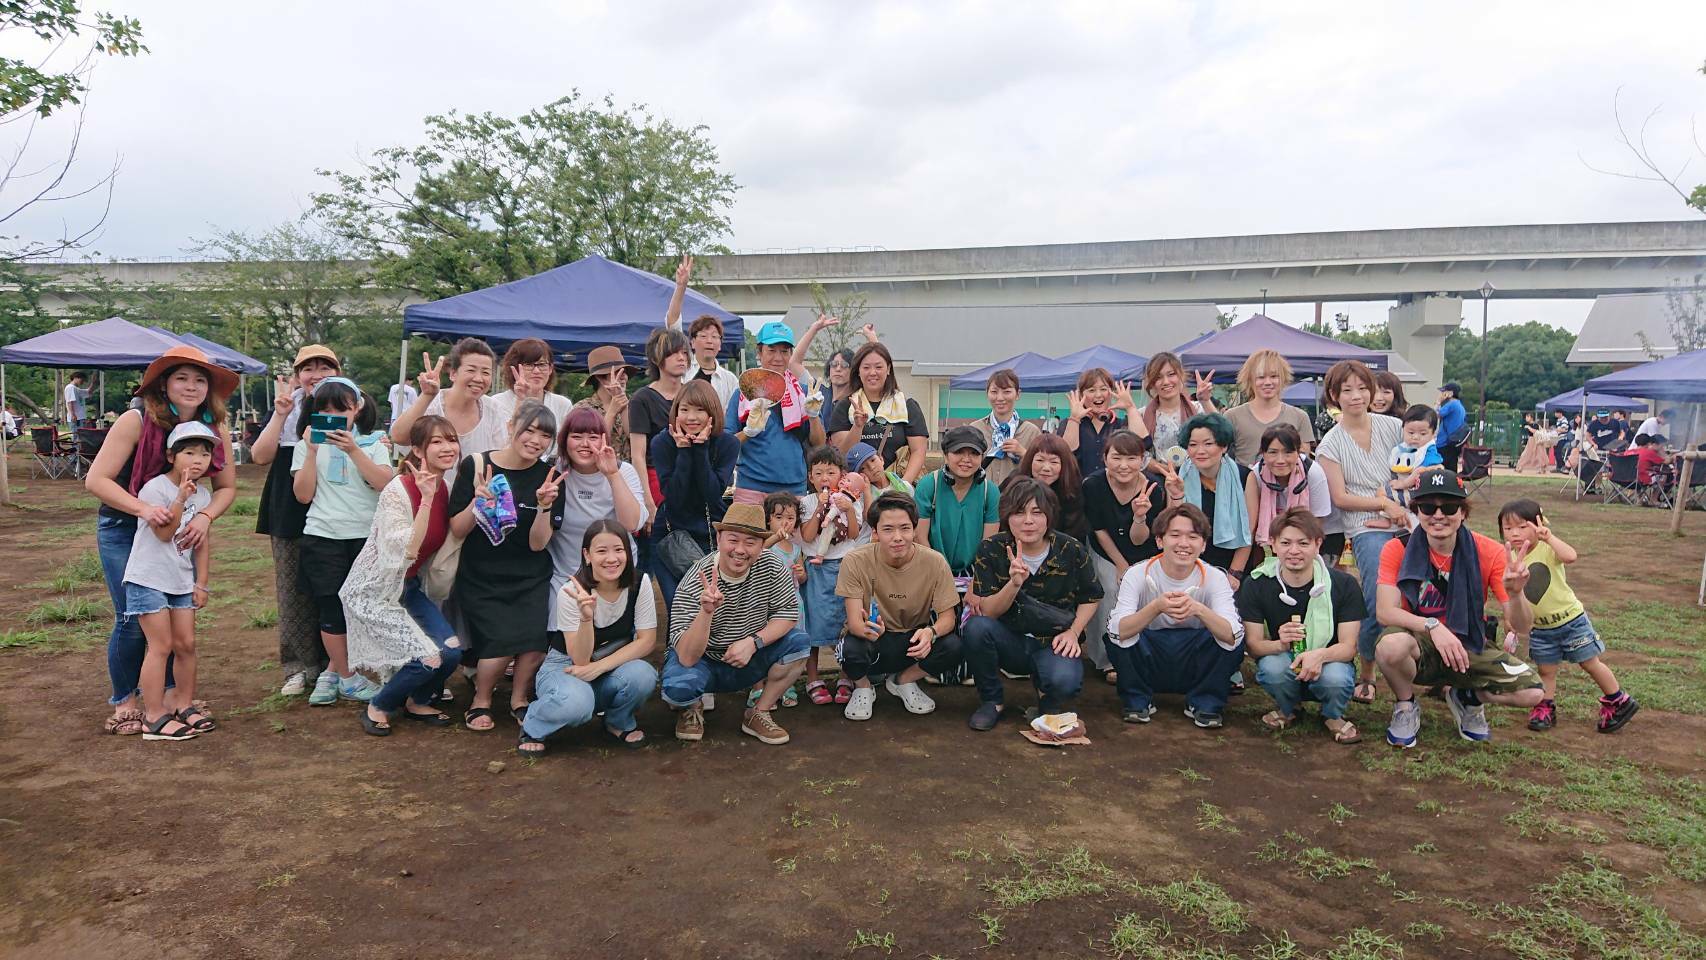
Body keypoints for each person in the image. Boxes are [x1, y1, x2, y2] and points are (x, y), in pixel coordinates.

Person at [86, 346, 238, 736]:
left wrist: (205, 516)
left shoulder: (214, 429)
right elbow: (97, 480)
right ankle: (126, 702)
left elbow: (225, 488)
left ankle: (173, 698)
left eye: (200, 380)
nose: (191, 386)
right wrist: (144, 509)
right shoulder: (136, 420)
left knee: (175, 620)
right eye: (181, 378)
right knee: (132, 617)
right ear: (163, 384)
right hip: (125, 525)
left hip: (182, 529)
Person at [1375, 470, 1543, 747]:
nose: (1438, 515)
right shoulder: (1397, 549)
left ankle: (1466, 697)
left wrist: (1516, 594)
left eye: (1450, 507)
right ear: (1417, 511)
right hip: (1419, 643)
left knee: (1533, 692)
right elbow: (1385, 611)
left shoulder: (1489, 551)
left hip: (1468, 643)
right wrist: (1433, 626)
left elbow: (1522, 627)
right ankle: (1405, 705)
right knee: (1390, 646)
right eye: (1427, 507)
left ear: (1463, 513)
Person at [343, 415, 465, 736]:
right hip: (376, 590)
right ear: (418, 450)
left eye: (451, 440)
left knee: (452, 651)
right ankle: (379, 705)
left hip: (408, 587)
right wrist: (425, 500)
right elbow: (409, 548)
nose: (447, 447)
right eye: (436, 441)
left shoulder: (445, 487)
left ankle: (418, 701)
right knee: (429, 658)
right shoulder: (398, 490)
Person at [448, 400, 562, 732]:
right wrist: (477, 503)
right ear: (511, 427)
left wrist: (543, 506)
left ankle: (519, 699)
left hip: (530, 574)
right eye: (529, 430)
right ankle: (481, 700)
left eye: (545, 435)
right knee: (497, 648)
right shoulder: (477, 465)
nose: (536, 441)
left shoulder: (549, 478)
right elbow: (457, 529)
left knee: (533, 645)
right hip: (482, 575)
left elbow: (538, 543)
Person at [663, 502, 813, 745]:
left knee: (799, 643)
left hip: (748, 656)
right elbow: (687, 657)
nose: (740, 550)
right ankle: (691, 707)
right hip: (704, 660)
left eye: (750, 542)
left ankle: (759, 712)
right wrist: (706, 612)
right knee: (678, 688)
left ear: (761, 545)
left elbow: (787, 613)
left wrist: (754, 643)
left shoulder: (772, 566)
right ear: (719, 538)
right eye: (733, 540)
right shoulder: (697, 578)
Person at [963, 479, 1102, 731]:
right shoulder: (991, 549)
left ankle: (1048, 700)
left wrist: (1074, 632)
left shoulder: (1071, 549)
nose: (1028, 521)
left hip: (1054, 640)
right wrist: (1014, 584)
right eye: (1019, 512)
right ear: (1007, 517)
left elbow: (1091, 597)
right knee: (975, 628)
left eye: (1037, 513)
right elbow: (988, 612)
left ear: (1050, 516)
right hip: (1009, 639)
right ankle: (992, 701)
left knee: (1064, 681)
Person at [292, 377, 393, 706]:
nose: (332, 417)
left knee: (363, 608)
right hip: (323, 537)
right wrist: (311, 451)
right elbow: (302, 495)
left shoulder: (374, 444)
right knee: (332, 608)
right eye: (325, 410)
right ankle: (347, 678)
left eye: (341, 409)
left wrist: (353, 449)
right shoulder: (307, 445)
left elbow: (384, 483)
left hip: (366, 538)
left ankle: (341, 672)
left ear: (357, 408)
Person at [1496, 499, 1637, 733]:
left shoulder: (1546, 548)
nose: (1515, 533)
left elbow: (1570, 556)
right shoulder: (1509, 559)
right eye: (1508, 528)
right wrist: (1509, 619)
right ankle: (1545, 707)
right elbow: (1511, 594)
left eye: (1522, 526)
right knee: (1546, 670)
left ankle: (1617, 699)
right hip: (1540, 628)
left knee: (1590, 663)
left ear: (1539, 524)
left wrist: (1549, 537)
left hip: (1571, 621)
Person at [521, 520, 659, 753]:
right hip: (565, 666)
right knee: (578, 703)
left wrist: (599, 667)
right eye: (602, 551)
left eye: (619, 549)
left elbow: (647, 641)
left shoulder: (639, 583)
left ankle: (617, 721)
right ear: (587, 555)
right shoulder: (571, 592)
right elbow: (580, 659)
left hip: (610, 661)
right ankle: (534, 724)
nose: (612, 559)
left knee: (644, 675)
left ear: (628, 552)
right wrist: (586, 619)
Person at [251, 344, 342, 698]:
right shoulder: (286, 408)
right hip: (289, 503)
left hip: (337, 503)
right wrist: (279, 415)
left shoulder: (348, 402)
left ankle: (336, 665)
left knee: (333, 585)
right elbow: (259, 456)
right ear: (297, 375)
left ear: (338, 372)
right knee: (291, 587)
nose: (316, 375)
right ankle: (299, 667)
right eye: (308, 368)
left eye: (325, 367)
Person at [1314, 359, 1406, 705]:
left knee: (1433, 586)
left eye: (1363, 388)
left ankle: (1437, 664)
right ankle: (1367, 668)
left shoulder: (1394, 426)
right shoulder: (1330, 444)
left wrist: (1402, 507)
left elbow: (1422, 461)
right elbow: (1340, 498)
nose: (1356, 396)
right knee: (1377, 594)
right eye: (1347, 390)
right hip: (1365, 525)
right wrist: (1382, 505)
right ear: (1334, 395)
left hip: (1409, 518)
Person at [1107, 504, 1245, 728]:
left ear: (1203, 545)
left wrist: (1199, 610)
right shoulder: (1137, 573)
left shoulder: (1215, 577)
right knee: (1118, 637)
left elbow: (1233, 634)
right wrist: (1156, 607)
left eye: (1193, 536)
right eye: (1175, 535)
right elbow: (1117, 630)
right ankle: (1137, 699)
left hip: (1194, 653)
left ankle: (1205, 702)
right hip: (1150, 651)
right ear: (1159, 541)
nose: (1183, 543)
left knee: (1232, 639)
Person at [1236, 508, 1362, 742]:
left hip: (1331, 661)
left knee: (1336, 678)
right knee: (1272, 668)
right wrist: (1280, 644)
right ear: (1273, 544)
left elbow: (1349, 648)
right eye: (1285, 543)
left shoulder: (1344, 584)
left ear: (1318, 544)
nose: (1294, 551)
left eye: (1303, 543)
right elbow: (1253, 646)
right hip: (1286, 659)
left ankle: (1332, 715)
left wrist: (1320, 655)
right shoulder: (1257, 583)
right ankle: (1289, 707)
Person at [126, 422, 217, 740]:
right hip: (148, 578)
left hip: (180, 580)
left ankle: (184, 704)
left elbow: (201, 542)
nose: (198, 460)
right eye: (189, 453)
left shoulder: (203, 495)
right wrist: (179, 498)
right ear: (170, 456)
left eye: (204, 454)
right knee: (161, 646)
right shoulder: (155, 489)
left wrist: (201, 582)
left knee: (186, 645)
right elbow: (164, 533)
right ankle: (153, 716)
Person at [836, 494, 964, 720]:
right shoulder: (855, 560)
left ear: (914, 530)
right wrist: (867, 629)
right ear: (875, 532)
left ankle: (903, 680)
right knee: (850, 649)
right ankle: (863, 686)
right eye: (888, 529)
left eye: (905, 528)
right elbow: (855, 623)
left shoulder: (935, 562)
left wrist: (931, 632)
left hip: (912, 640)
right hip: (874, 641)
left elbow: (948, 618)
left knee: (953, 646)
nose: (898, 537)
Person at [546, 406, 647, 638]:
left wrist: (612, 475)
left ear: (604, 440)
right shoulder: (553, 472)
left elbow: (632, 524)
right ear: (564, 440)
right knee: (564, 644)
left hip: (613, 575)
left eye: (593, 437)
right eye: (576, 436)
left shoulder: (623, 471)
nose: (585, 444)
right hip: (565, 577)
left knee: (612, 644)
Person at [1081, 430, 1162, 686]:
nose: (1123, 465)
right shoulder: (1093, 485)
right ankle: (1107, 659)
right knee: (1107, 589)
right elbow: (1098, 529)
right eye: (1116, 457)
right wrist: (1120, 565)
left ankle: (1145, 654)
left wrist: (1139, 516)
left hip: (1144, 551)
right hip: (1105, 549)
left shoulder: (1153, 488)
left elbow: (1140, 539)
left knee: (1147, 594)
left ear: (1143, 459)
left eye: (1132, 458)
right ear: (1105, 458)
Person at [651, 381, 739, 598]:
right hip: (671, 533)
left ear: (712, 412)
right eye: (684, 410)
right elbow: (674, 498)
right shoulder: (662, 442)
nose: (691, 417)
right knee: (677, 605)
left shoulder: (727, 443)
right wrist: (683, 451)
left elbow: (712, 494)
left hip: (710, 531)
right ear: (676, 411)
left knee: (711, 604)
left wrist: (700, 449)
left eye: (700, 410)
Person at [798, 446, 862, 706]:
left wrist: (848, 509)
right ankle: (813, 678)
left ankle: (846, 676)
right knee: (813, 624)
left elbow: (854, 534)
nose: (825, 478)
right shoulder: (806, 502)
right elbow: (807, 536)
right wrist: (819, 508)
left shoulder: (850, 500)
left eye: (831, 472)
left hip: (845, 567)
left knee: (846, 623)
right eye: (818, 473)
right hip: (816, 570)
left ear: (842, 475)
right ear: (810, 477)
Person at [1158, 413, 1252, 578]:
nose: (1200, 451)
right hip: (1190, 562)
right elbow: (1172, 526)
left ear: (1223, 447)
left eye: (1208, 444)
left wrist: (1235, 572)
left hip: (1233, 564)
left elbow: (1248, 530)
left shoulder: (1244, 477)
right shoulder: (1178, 477)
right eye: (1193, 445)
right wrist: (1177, 495)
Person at [827, 341, 929, 483]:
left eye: (879, 367)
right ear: (858, 371)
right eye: (866, 367)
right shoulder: (845, 407)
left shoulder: (906, 406)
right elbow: (842, 455)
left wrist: (903, 486)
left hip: (898, 486)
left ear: (888, 369)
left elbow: (918, 451)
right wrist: (857, 427)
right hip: (857, 488)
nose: (872, 372)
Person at [391, 339, 507, 457]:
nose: (478, 379)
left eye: (486, 373)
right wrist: (427, 395)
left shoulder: (493, 410)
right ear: (453, 374)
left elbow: (501, 455)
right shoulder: (432, 405)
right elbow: (399, 437)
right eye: (471, 370)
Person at [627, 327, 692, 540]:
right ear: (657, 358)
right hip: (655, 478)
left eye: (684, 353)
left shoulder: (693, 393)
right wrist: (647, 500)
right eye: (674, 353)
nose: (681, 358)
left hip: (691, 475)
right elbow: (637, 455)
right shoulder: (642, 398)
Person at [914, 425, 1002, 581]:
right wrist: (939, 575)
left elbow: (988, 545)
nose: (966, 460)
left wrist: (976, 582)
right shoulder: (929, 485)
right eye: (958, 452)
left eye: (974, 453)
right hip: (932, 568)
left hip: (975, 571)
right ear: (946, 455)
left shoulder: (990, 491)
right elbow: (920, 538)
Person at [1244, 424, 1333, 560]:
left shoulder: (1313, 473)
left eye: (1288, 452)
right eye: (1272, 452)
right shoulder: (1256, 475)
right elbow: (1250, 524)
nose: (1280, 460)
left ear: (1298, 452)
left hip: (1307, 539)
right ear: (1263, 453)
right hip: (1266, 545)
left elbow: (1318, 520)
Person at [1224, 349, 1315, 465]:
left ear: (1282, 378)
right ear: (1250, 379)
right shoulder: (1233, 416)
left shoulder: (1300, 417)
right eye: (1261, 377)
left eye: (1273, 376)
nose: (1268, 382)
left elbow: (1303, 460)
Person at [1058, 366, 1137, 479]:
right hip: (1077, 488)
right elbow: (1064, 454)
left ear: (1111, 392)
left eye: (1103, 389)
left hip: (1114, 487)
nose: (1098, 395)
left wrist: (1130, 408)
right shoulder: (1068, 424)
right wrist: (1074, 419)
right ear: (1081, 395)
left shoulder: (1122, 424)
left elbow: (1144, 446)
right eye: (1091, 390)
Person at [968, 368, 1041, 487]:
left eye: (1007, 392)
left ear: (1018, 394)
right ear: (987, 393)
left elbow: (1042, 470)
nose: (1000, 398)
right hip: (981, 494)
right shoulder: (975, 429)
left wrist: (1023, 453)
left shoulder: (1031, 432)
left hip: (1017, 496)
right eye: (994, 392)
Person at [1135, 352, 1217, 458]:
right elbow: (1136, 453)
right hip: (1157, 469)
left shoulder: (1198, 409)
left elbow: (1221, 434)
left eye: (1171, 374)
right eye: (1158, 377)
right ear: (1151, 383)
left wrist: (1205, 401)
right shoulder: (1142, 415)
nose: (1166, 382)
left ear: (1181, 376)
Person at [487, 338, 573, 439]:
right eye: (528, 364)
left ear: (550, 369)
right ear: (514, 368)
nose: (536, 371)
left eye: (542, 364)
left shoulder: (563, 405)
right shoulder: (497, 403)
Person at [1011, 433, 1088, 544]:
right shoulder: (1014, 483)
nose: (1046, 468)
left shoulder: (1074, 489)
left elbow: (1075, 532)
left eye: (1054, 462)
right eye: (1040, 460)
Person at [1383, 405, 1445, 506]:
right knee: (1381, 492)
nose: (1415, 437)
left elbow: (1421, 471)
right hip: (1404, 488)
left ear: (1433, 434)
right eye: (1411, 432)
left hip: (1420, 492)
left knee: (1384, 493)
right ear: (1403, 429)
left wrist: (1403, 483)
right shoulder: (1401, 448)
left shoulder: (1429, 451)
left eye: (1423, 433)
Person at [683, 315, 740, 411]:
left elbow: (733, 413)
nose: (709, 341)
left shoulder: (730, 380)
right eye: (703, 336)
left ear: (720, 345)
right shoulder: (683, 372)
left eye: (714, 336)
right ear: (692, 342)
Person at [1434, 382, 1468, 473]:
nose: (1441, 394)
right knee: (1451, 469)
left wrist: (1438, 402)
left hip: (1444, 442)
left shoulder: (1451, 404)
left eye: (1444, 391)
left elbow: (1435, 414)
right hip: (1453, 442)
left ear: (1451, 393)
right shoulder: (1460, 406)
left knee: (1440, 469)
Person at [1633, 432, 1674, 500]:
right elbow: (1667, 461)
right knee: (1663, 476)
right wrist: (1661, 450)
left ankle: (1639, 499)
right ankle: (1654, 499)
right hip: (1642, 479)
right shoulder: (1648, 452)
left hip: (1628, 480)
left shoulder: (1628, 452)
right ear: (1648, 443)